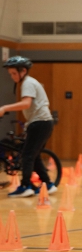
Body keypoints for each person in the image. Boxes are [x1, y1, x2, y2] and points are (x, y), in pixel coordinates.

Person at [0, 56, 58, 197]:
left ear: (23, 71)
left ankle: (26, 186)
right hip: (42, 123)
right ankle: (47, 184)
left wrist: (4, 108)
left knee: (27, 155)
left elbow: (26, 103)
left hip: (40, 123)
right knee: (34, 154)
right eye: (11, 74)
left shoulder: (28, 83)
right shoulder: (28, 82)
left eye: (14, 73)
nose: (13, 77)